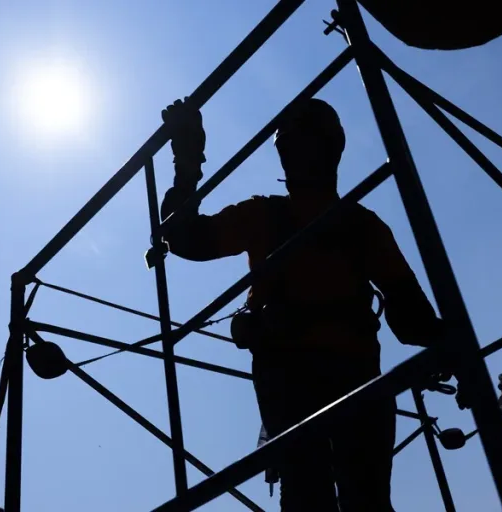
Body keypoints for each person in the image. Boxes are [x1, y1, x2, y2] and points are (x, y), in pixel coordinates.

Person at [157, 97, 446, 512]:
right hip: (307, 382)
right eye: (291, 148)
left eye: (301, 146)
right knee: (321, 498)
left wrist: (447, 348)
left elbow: (411, 317)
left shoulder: (356, 225)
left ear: (326, 151)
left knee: (338, 500)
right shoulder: (289, 218)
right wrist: (188, 162)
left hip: (340, 384)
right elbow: (184, 239)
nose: (295, 157)